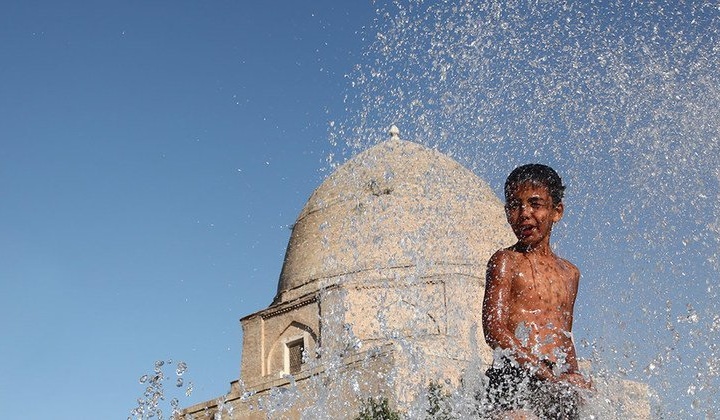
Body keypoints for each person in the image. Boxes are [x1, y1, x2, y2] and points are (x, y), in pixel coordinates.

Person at [481, 164, 592, 419]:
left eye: (535, 204)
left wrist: (572, 374)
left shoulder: (569, 273)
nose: (524, 214)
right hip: (514, 374)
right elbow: (495, 330)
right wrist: (542, 373)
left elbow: (564, 335)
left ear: (557, 211)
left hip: (553, 379)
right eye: (514, 205)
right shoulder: (506, 261)